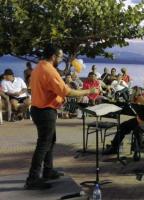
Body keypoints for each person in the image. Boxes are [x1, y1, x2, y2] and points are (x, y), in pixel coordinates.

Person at [25, 44, 98, 190]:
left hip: (38, 109)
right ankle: (32, 178)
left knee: (50, 141)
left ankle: (48, 170)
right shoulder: (49, 70)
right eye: (60, 56)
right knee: (43, 144)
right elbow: (67, 92)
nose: (61, 59)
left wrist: (59, 97)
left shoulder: (39, 67)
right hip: (45, 111)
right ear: (53, 56)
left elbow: (50, 89)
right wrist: (88, 91)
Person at [103, 76, 144, 156]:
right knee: (122, 126)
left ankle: (143, 147)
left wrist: (139, 96)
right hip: (141, 119)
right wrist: (134, 94)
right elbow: (131, 101)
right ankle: (114, 148)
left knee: (137, 129)